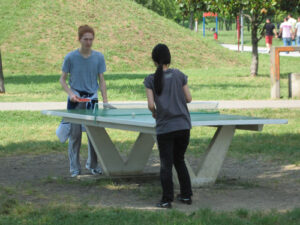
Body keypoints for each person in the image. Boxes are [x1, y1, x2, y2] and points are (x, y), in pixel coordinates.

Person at [60, 25, 113, 177]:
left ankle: (93, 165)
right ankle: (74, 168)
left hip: (92, 98)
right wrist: (71, 93)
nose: (89, 42)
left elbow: (101, 80)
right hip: (76, 98)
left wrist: (105, 100)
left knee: (94, 134)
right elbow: (62, 80)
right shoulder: (70, 57)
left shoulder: (98, 57)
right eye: (85, 39)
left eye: (91, 39)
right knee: (75, 134)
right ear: (79, 39)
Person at [144, 44, 193, 209]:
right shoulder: (179, 75)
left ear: (154, 60)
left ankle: (166, 199)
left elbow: (151, 104)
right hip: (183, 125)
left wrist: (155, 112)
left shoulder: (150, 80)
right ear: (169, 58)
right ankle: (186, 196)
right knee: (179, 160)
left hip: (165, 127)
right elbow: (189, 98)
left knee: (166, 163)